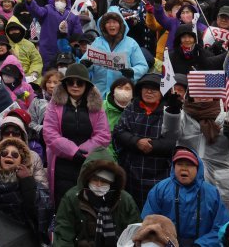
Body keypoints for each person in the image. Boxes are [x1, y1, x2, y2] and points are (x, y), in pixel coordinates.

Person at [43, 63, 112, 205]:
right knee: (63, 203)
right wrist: (73, 152)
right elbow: (50, 133)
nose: (75, 86)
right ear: (65, 84)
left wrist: (83, 152)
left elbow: (103, 135)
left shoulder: (97, 107)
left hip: (89, 163)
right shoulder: (54, 104)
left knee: (87, 204)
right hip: (61, 163)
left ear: (86, 85)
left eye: (80, 82)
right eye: (70, 82)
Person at [141, 147, 229, 247]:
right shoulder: (160, 189)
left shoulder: (212, 193)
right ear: (173, 167)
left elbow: (221, 227)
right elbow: (149, 222)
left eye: (189, 165)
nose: (184, 168)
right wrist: (165, 240)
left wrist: (201, 244)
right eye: (179, 164)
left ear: (198, 169)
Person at [52, 149, 140, 247]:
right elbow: (63, 235)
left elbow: (135, 234)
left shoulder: (125, 199)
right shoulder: (72, 197)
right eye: (94, 179)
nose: (98, 185)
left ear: (112, 182)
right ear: (87, 179)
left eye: (104, 181)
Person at [0, 137, 47, 246]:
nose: (9, 155)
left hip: (20, 240)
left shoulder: (28, 182)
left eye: (15, 154)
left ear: (22, 161)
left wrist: (27, 182)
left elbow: (34, 213)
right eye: (4, 153)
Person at [112, 73, 176, 204]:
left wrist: (152, 145)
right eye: (146, 88)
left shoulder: (170, 111)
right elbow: (119, 132)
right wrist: (136, 142)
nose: (149, 91)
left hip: (159, 172)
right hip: (131, 171)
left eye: (155, 88)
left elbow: (174, 140)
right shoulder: (132, 108)